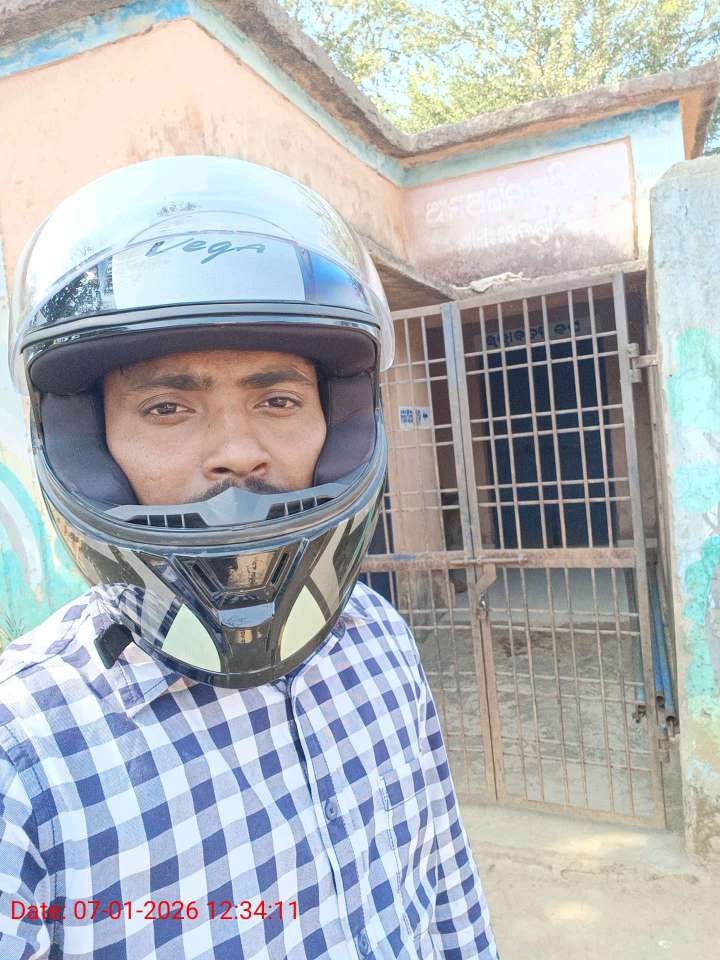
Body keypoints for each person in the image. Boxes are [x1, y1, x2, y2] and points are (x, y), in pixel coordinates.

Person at [0, 156, 499, 960]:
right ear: (87, 443)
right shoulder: (21, 755)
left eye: (278, 400)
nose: (238, 452)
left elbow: (442, 887)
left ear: (337, 424)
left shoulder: (379, 642)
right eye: (168, 407)